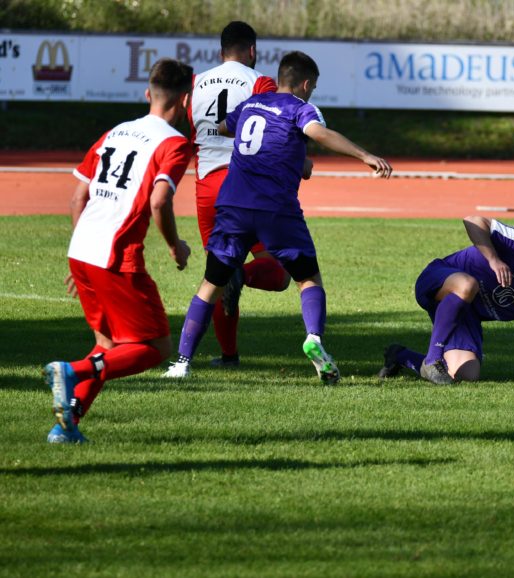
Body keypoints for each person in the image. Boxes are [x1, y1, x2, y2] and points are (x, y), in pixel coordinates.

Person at [163, 50, 392, 384]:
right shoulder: (301, 108)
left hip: (233, 206)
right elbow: (319, 133)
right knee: (308, 279)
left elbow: (225, 127)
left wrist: (291, 156)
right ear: (306, 84)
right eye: (313, 87)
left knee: (211, 284)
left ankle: (182, 363)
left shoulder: (252, 104)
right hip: (276, 208)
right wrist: (365, 155)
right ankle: (314, 339)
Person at [44, 58, 194, 443]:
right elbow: (159, 201)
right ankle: (72, 370)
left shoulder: (115, 132)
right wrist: (175, 247)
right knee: (156, 346)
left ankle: (66, 428)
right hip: (115, 256)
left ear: (148, 93)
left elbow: (78, 198)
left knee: (107, 344)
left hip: (83, 250)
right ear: (185, 99)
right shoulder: (174, 144)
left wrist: (84, 251)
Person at [184, 20, 290, 372]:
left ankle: (228, 356)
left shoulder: (195, 84)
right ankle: (241, 275)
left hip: (206, 188)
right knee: (279, 272)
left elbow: (189, 131)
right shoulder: (261, 82)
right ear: (252, 50)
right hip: (246, 184)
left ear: (221, 51)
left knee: (216, 275)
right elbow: (274, 131)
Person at [378, 216, 514, 384]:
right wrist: (493, 259)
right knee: (468, 285)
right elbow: (473, 220)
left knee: (466, 375)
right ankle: (433, 358)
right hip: (437, 281)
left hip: (464, 314)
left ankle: (400, 356)